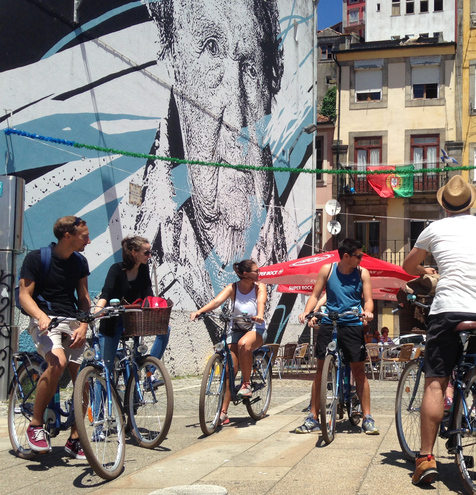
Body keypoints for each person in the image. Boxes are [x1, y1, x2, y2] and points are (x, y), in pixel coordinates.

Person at [139, 0, 297, 317]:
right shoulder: (149, 253)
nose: (237, 117)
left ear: (272, 81)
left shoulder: (290, 269)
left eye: (252, 69)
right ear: (171, 59)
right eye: (211, 49)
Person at [402, 174, 476, 486]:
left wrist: (426, 269)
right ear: (470, 203)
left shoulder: (434, 229)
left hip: (448, 310)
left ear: (445, 206)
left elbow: (407, 266)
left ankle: (426, 458)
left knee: (435, 382)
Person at [16, 216, 91, 458]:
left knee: (85, 377)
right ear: (67, 236)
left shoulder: (80, 262)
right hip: (47, 321)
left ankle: (75, 439)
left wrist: (84, 324)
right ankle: (35, 425)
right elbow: (24, 295)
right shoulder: (37, 258)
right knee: (57, 363)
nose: (88, 240)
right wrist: (40, 316)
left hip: (72, 322)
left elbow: (83, 297)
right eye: (84, 236)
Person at [293, 239, 378, 435]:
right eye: (358, 255)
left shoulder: (362, 273)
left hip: (352, 323)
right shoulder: (327, 269)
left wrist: (368, 312)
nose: (361, 259)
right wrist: (308, 313)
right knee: (320, 370)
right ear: (346, 256)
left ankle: (367, 417)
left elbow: (369, 299)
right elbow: (315, 295)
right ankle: (312, 417)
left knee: (359, 372)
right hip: (329, 322)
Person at [190, 259, 267, 425]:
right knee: (229, 368)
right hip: (236, 330)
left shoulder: (259, 287)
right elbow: (217, 302)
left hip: (256, 329)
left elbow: (261, 302)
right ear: (245, 274)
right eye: (256, 270)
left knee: (244, 345)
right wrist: (200, 311)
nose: (259, 273)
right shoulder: (233, 288)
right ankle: (223, 413)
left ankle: (246, 384)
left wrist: (260, 314)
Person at [95, 236, 170, 378]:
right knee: (105, 370)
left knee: (165, 329)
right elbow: (107, 292)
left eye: (150, 252)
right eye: (146, 252)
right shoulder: (116, 269)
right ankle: (99, 400)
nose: (150, 256)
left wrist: (157, 315)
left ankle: (149, 372)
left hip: (134, 320)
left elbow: (148, 293)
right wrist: (98, 309)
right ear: (134, 253)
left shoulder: (143, 269)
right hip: (113, 321)